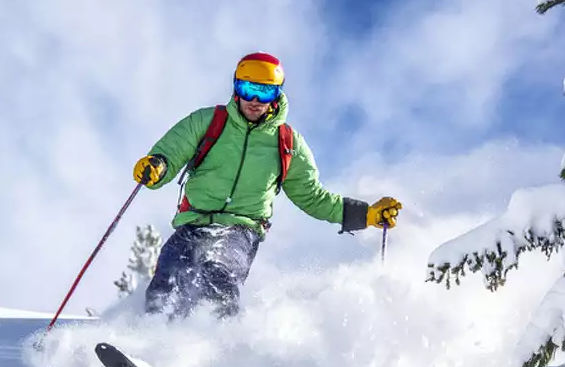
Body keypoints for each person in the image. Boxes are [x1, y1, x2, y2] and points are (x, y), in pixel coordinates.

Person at [132, 51, 402, 319]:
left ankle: (213, 343)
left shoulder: (287, 143)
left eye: (265, 93)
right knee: (169, 273)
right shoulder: (208, 122)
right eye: (247, 89)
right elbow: (171, 152)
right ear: (236, 88)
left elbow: (313, 197)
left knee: (218, 272)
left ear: (277, 95)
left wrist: (365, 215)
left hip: (241, 229)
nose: (254, 100)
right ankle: (153, 338)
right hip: (194, 221)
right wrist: (157, 166)